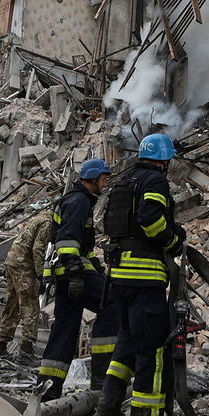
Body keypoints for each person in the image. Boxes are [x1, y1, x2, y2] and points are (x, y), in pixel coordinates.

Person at [95, 133, 188, 416]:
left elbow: (108, 224)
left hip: (119, 276)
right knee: (153, 352)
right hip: (145, 278)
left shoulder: (123, 183)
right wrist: (175, 241)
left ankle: (108, 403)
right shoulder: (154, 181)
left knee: (128, 340)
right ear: (164, 160)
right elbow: (151, 220)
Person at [36, 158, 119, 401]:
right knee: (111, 302)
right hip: (73, 275)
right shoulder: (79, 201)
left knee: (64, 329)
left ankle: (48, 389)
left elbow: (81, 247)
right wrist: (76, 275)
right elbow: (67, 241)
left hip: (69, 276)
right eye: (103, 178)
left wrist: (94, 267)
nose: (105, 183)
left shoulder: (77, 200)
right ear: (92, 178)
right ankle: (102, 378)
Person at [0, 210, 51, 364]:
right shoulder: (47, 223)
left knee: (12, 305)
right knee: (30, 306)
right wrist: (41, 275)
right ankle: (26, 352)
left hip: (12, 261)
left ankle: (0, 347)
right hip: (23, 265)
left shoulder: (39, 217)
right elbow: (38, 249)